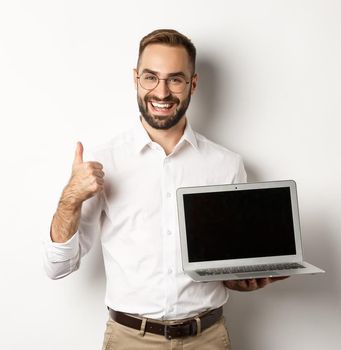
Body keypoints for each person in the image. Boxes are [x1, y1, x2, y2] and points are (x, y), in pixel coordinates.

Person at [42, 29, 286, 349]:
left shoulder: (226, 165)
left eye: (175, 79)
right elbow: (57, 267)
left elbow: (228, 263)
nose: (162, 92)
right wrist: (70, 199)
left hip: (208, 338)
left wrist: (244, 279)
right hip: (130, 340)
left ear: (192, 84)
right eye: (151, 77)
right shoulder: (104, 161)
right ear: (135, 79)